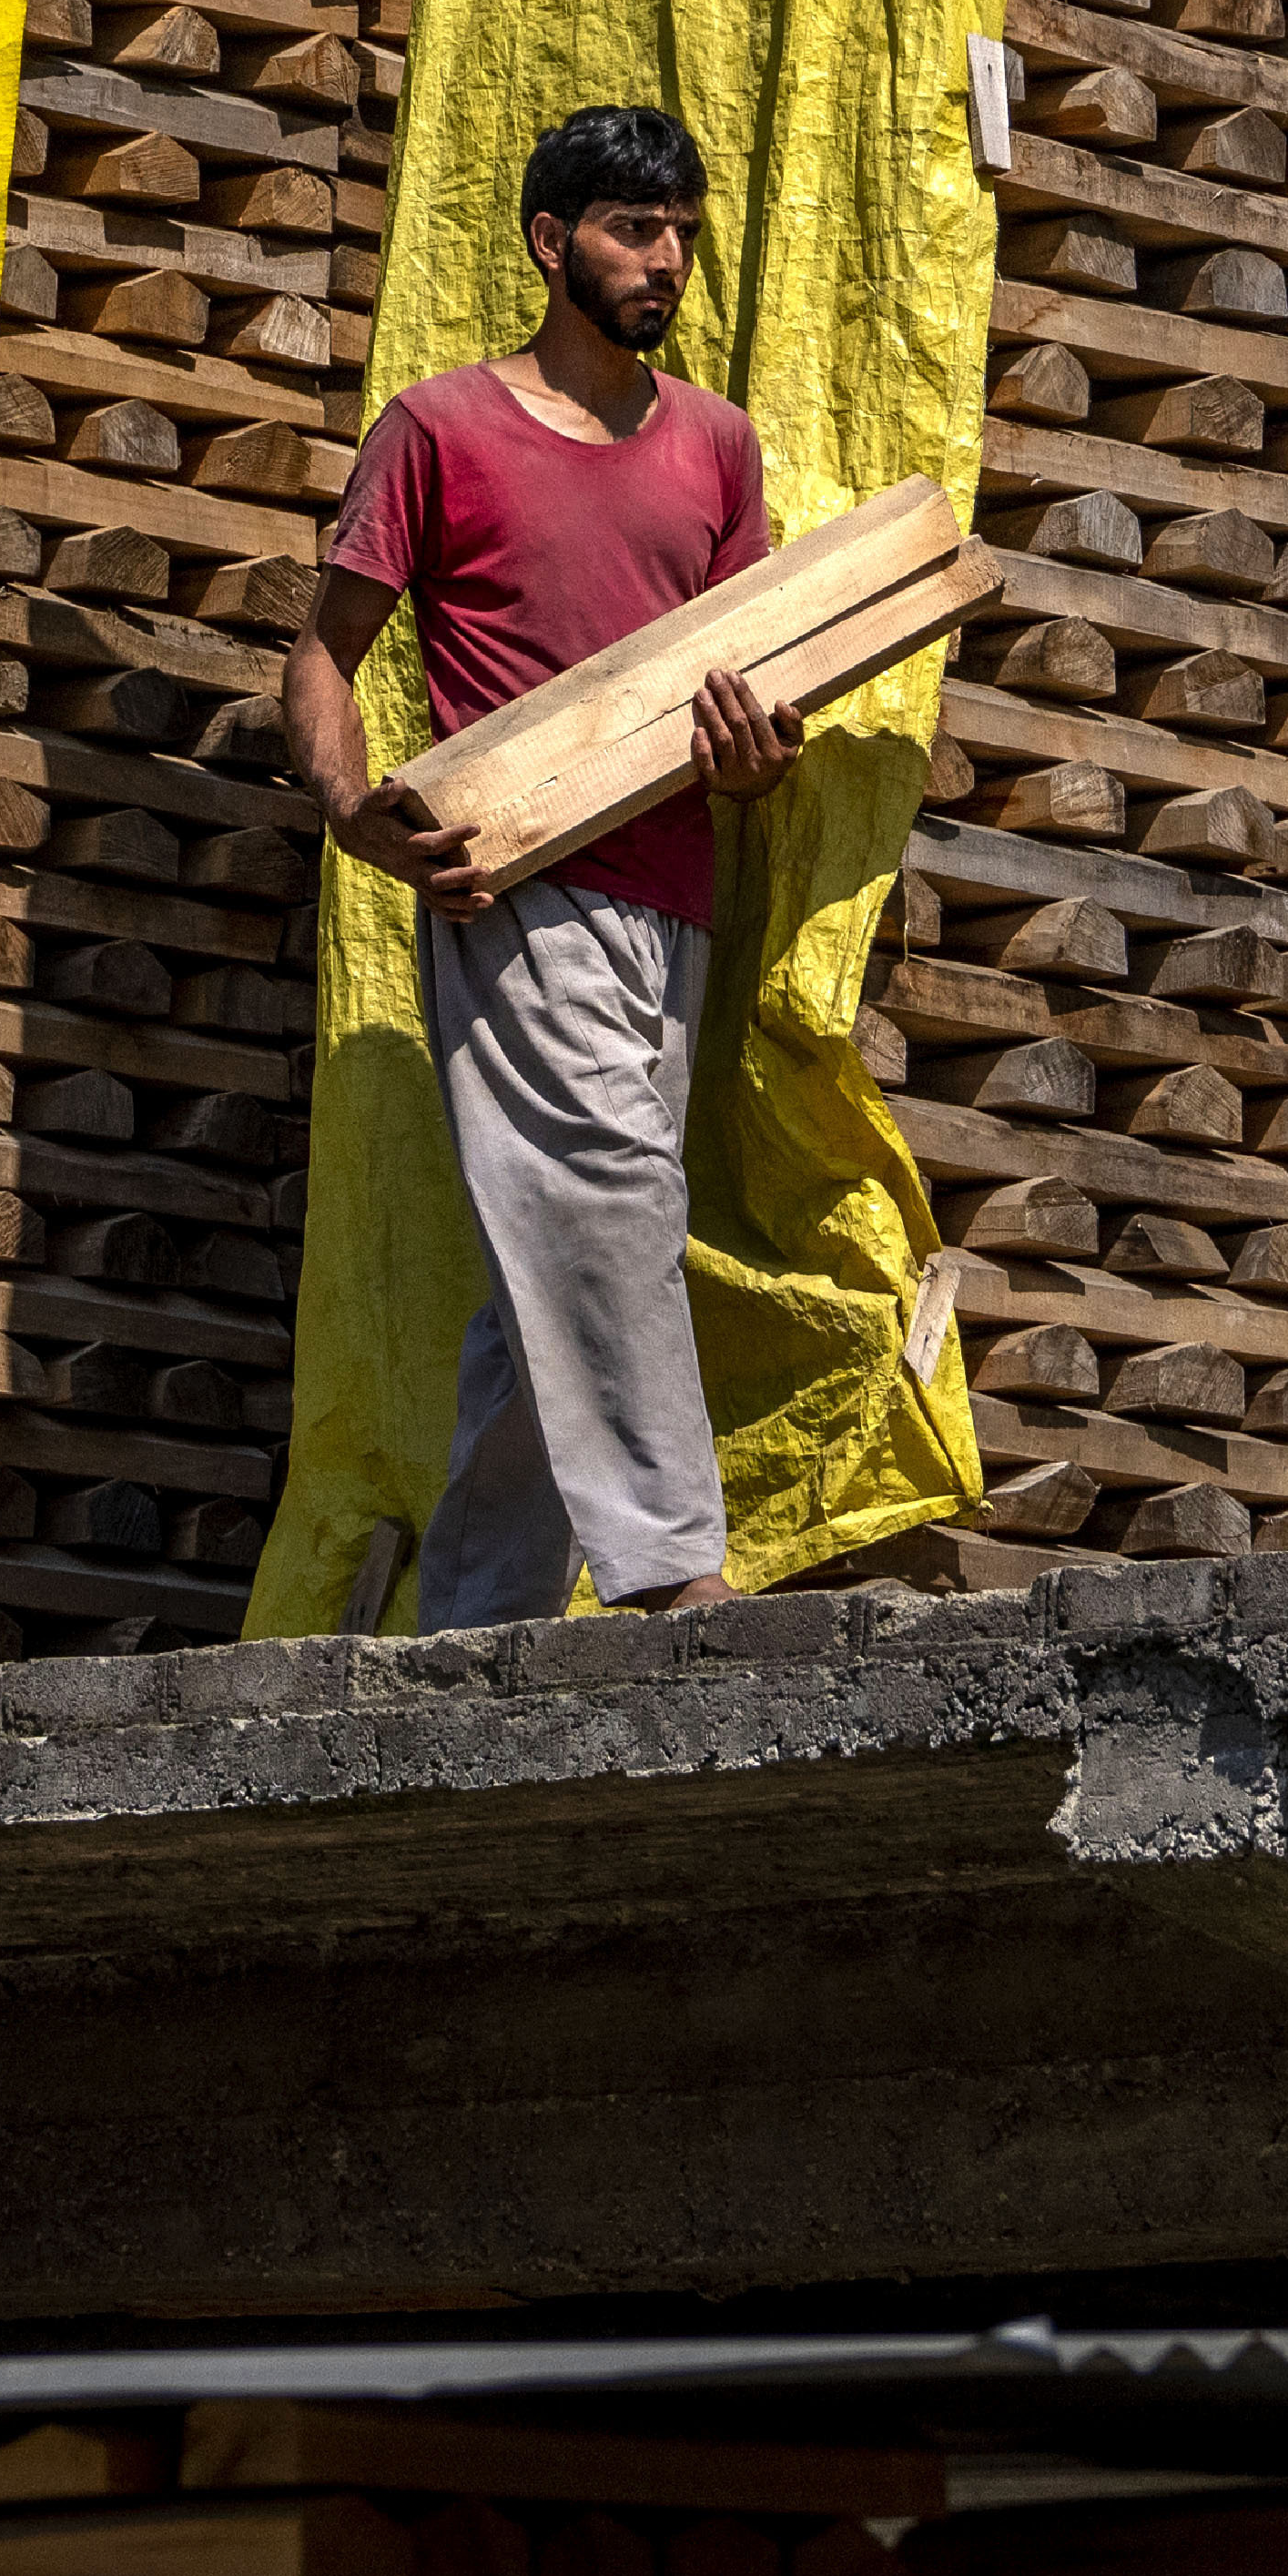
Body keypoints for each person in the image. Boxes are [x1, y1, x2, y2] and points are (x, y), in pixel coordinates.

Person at [286, 101, 804, 1622]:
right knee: (613, 1196)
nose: (665, 263)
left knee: (553, 1256)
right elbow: (322, 661)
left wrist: (762, 757)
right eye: (636, 231)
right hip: (518, 883)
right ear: (548, 241)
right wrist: (350, 811)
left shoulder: (715, 447)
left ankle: (483, 1614)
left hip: (673, 904)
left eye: (683, 237)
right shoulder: (442, 428)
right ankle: (669, 1570)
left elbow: (756, 677)